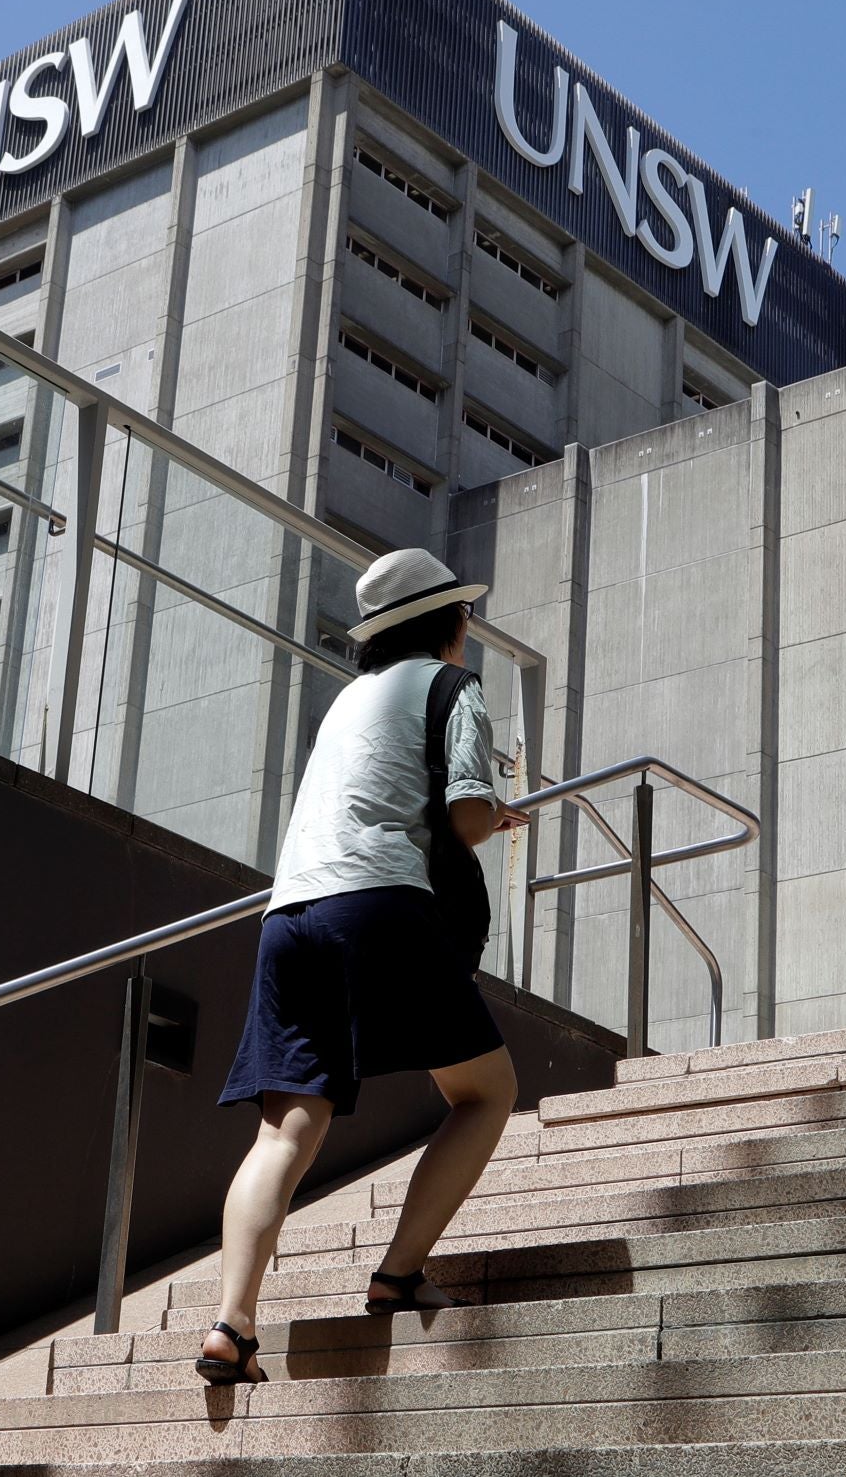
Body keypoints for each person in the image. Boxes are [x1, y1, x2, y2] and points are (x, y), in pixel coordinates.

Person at [195, 548, 528, 1386]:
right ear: (449, 623)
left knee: (285, 1128)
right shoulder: (452, 686)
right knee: (486, 1090)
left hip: (289, 913)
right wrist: (496, 810)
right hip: (379, 903)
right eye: (464, 616)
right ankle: (398, 1272)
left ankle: (232, 1324)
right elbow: (464, 815)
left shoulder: (348, 699)